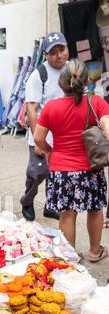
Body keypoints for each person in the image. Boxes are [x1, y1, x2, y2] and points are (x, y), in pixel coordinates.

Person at [34, 59, 109, 262]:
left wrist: (49, 152)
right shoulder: (96, 103)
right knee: (95, 209)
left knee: (67, 214)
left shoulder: (51, 107)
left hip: (61, 169)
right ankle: (95, 252)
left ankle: (69, 257)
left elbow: (38, 139)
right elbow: (107, 124)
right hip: (91, 169)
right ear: (86, 82)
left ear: (61, 82)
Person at [20, 31, 69, 221]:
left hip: (63, 136)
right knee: (36, 174)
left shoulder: (71, 69)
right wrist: (38, 141)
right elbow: (31, 109)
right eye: (54, 52)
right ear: (46, 55)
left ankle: (51, 205)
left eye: (62, 49)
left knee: (57, 174)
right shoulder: (38, 75)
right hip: (42, 135)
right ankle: (27, 201)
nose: (59, 55)